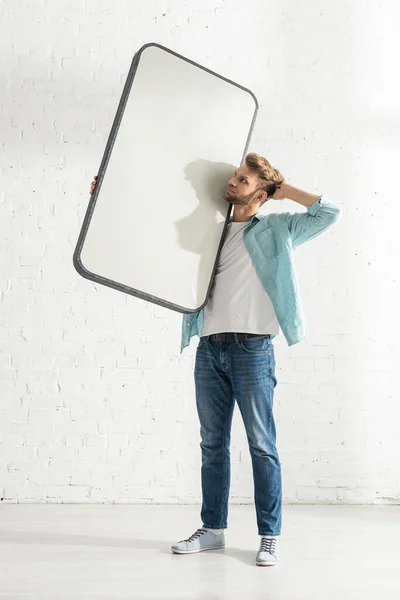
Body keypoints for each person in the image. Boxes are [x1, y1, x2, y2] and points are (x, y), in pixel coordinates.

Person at [89, 153, 341, 567]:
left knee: (262, 445)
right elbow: (148, 235)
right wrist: (108, 200)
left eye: (243, 180)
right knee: (212, 444)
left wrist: (285, 191)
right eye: (235, 176)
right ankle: (213, 529)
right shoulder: (211, 230)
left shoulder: (279, 228)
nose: (233, 182)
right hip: (209, 346)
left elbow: (330, 213)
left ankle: (269, 536)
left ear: (261, 192)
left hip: (253, 350)